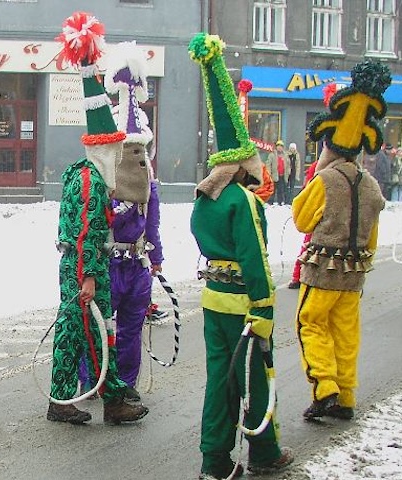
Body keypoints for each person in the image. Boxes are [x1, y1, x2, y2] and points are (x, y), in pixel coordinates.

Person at [188, 32, 293, 479]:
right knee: (254, 380)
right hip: (245, 309)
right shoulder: (242, 202)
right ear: (244, 164)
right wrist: (265, 308)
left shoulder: (203, 200)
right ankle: (264, 453)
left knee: (220, 383)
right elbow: (255, 260)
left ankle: (214, 461)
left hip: (214, 302)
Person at [47, 11, 149, 426]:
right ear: (103, 150)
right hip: (85, 268)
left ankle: (81, 399)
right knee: (90, 331)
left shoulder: (80, 172)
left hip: (77, 265)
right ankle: (95, 400)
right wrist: (90, 274)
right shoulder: (93, 179)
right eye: (115, 151)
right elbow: (87, 230)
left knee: (83, 331)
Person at [294, 60, 389, 421]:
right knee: (346, 333)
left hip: (322, 271)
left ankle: (325, 389)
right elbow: (373, 239)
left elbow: (303, 218)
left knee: (311, 323)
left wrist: (315, 181)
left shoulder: (326, 179)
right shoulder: (372, 185)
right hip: (353, 275)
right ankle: (346, 396)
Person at [78, 40, 165, 401]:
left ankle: (125, 384)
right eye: (130, 151)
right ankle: (92, 381)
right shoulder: (101, 186)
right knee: (97, 329)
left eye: (140, 152)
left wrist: (156, 258)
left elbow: (154, 225)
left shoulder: (151, 187)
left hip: (136, 267)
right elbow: (88, 227)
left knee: (131, 328)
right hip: (109, 263)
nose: (136, 158)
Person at [288, 160, 318, 290]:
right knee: (309, 243)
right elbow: (308, 188)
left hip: (333, 213)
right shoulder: (317, 165)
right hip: (318, 211)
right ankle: (298, 276)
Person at [266, 140, 289, 205]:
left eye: (281, 146)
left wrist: (288, 172)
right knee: (272, 189)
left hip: (282, 175)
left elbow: (288, 164)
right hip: (274, 175)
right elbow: (268, 164)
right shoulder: (272, 154)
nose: (279, 148)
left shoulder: (285, 155)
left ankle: (280, 202)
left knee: (280, 190)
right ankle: (270, 202)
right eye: (278, 146)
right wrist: (269, 173)